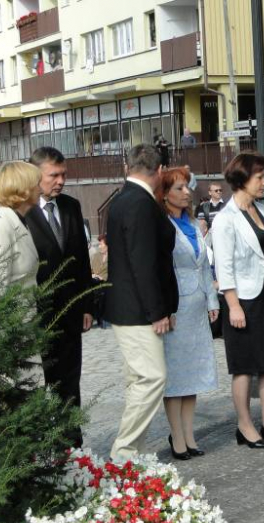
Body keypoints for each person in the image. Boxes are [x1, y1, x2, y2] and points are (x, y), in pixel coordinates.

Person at [105, 144, 179, 461]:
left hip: (130, 307)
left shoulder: (124, 198)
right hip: (136, 310)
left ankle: (134, 452)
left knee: (140, 380)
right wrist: (157, 311)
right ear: (160, 171)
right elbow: (143, 263)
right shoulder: (138, 203)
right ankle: (123, 453)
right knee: (152, 378)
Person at [212, 151, 264, 449]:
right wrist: (232, 305)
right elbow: (224, 266)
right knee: (244, 365)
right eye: (259, 177)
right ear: (243, 179)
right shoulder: (225, 220)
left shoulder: (262, 210)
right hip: (242, 300)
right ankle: (244, 425)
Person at [23, 147, 93, 448]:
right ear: (36, 175)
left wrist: (87, 303)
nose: (61, 181)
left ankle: (71, 445)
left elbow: (81, 260)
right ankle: (42, 444)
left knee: (70, 382)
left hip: (71, 310)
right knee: (42, 381)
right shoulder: (23, 212)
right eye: (54, 175)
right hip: (38, 313)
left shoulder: (71, 206)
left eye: (64, 174)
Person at [158, 167, 219, 460]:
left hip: (197, 306)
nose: (186, 193)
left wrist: (212, 301)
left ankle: (189, 433)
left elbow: (205, 266)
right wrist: (164, 308)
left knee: (193, 373)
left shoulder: (193, 224)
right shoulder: (162, 224)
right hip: (176, 306)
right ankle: (177, 436)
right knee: (176, 375)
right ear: (165, 193)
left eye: (187, 187)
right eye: (179, 188)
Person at [0, 161, 41, 292]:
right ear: (24, 188)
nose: (41, 189)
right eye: (37, 184)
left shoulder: (18, 220)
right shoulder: (0, 227)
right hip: (15, 312)